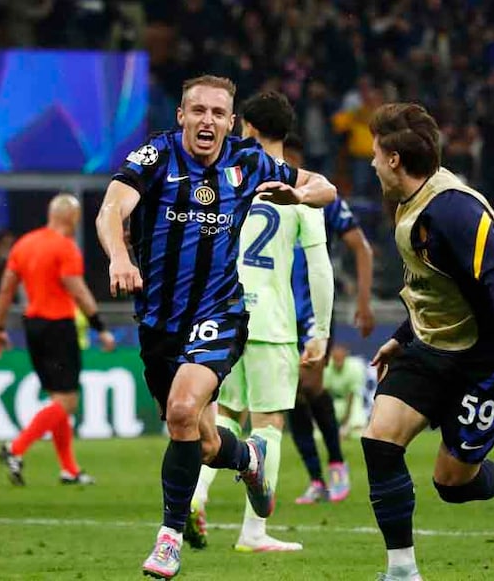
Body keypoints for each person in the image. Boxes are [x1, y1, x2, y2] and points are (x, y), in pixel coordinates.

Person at [95, 74, 335, 579]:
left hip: (220, 312)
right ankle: (247, 458)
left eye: (217, 113)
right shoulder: (155, 157)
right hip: (160, 323)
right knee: (201, 440)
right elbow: (112, 207)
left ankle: (168, 540)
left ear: (231, 122)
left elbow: (325, 188)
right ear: (180, 115)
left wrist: (301, 197)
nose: (207, 120)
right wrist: (119, 253)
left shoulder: (248, 161)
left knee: (183, 411)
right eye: (197, 111)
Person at [364, 103, 494, 581]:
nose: (372, 162)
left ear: (396, 160)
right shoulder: (410, 202)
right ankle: (402, 571)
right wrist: (404, 336)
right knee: (379, 438)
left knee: (453, 483)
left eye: (376, 154)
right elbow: (436, 284)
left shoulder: (456, 211)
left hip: (486, 357)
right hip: (433, 346)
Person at [186, 91, 334, 553]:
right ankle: (253, 533)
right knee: (268, 424)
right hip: (271, 321)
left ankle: (195, 497)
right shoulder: (300, 188)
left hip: (225, 315)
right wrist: (322, 331)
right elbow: (319, 267)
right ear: (286, 133)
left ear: (246, 126)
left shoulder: (225, 178)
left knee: (225, 416)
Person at [0, 193, 116, 486]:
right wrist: (101, 327)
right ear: (71, 217)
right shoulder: (66, 248)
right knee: (68, 401)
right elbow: (78, 290)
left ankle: (69, 469)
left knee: (58, 400)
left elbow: (7, 289)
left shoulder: (25, 244)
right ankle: (15, 448)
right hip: (58, 326)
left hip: (32, 326)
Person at [284, 133, 375, 505]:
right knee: (290, 395)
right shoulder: (256, 195)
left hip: (312, 310)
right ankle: (316, 478)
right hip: (274, 311)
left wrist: (364, 302)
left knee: (309, 383)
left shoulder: (322, 196)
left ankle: (337, 463)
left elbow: (361, 247)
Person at [323, 345, 368, 439]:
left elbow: (351, 395)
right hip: (334, 400)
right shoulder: (327, 367)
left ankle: (349, 429)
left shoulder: (354, 367)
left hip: (352, 401)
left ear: (345, 356)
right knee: (319, 432)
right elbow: (325, 393)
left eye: (340, 357)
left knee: (358, 431)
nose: (338, 361)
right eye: (336, 358)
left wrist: (345, 423)